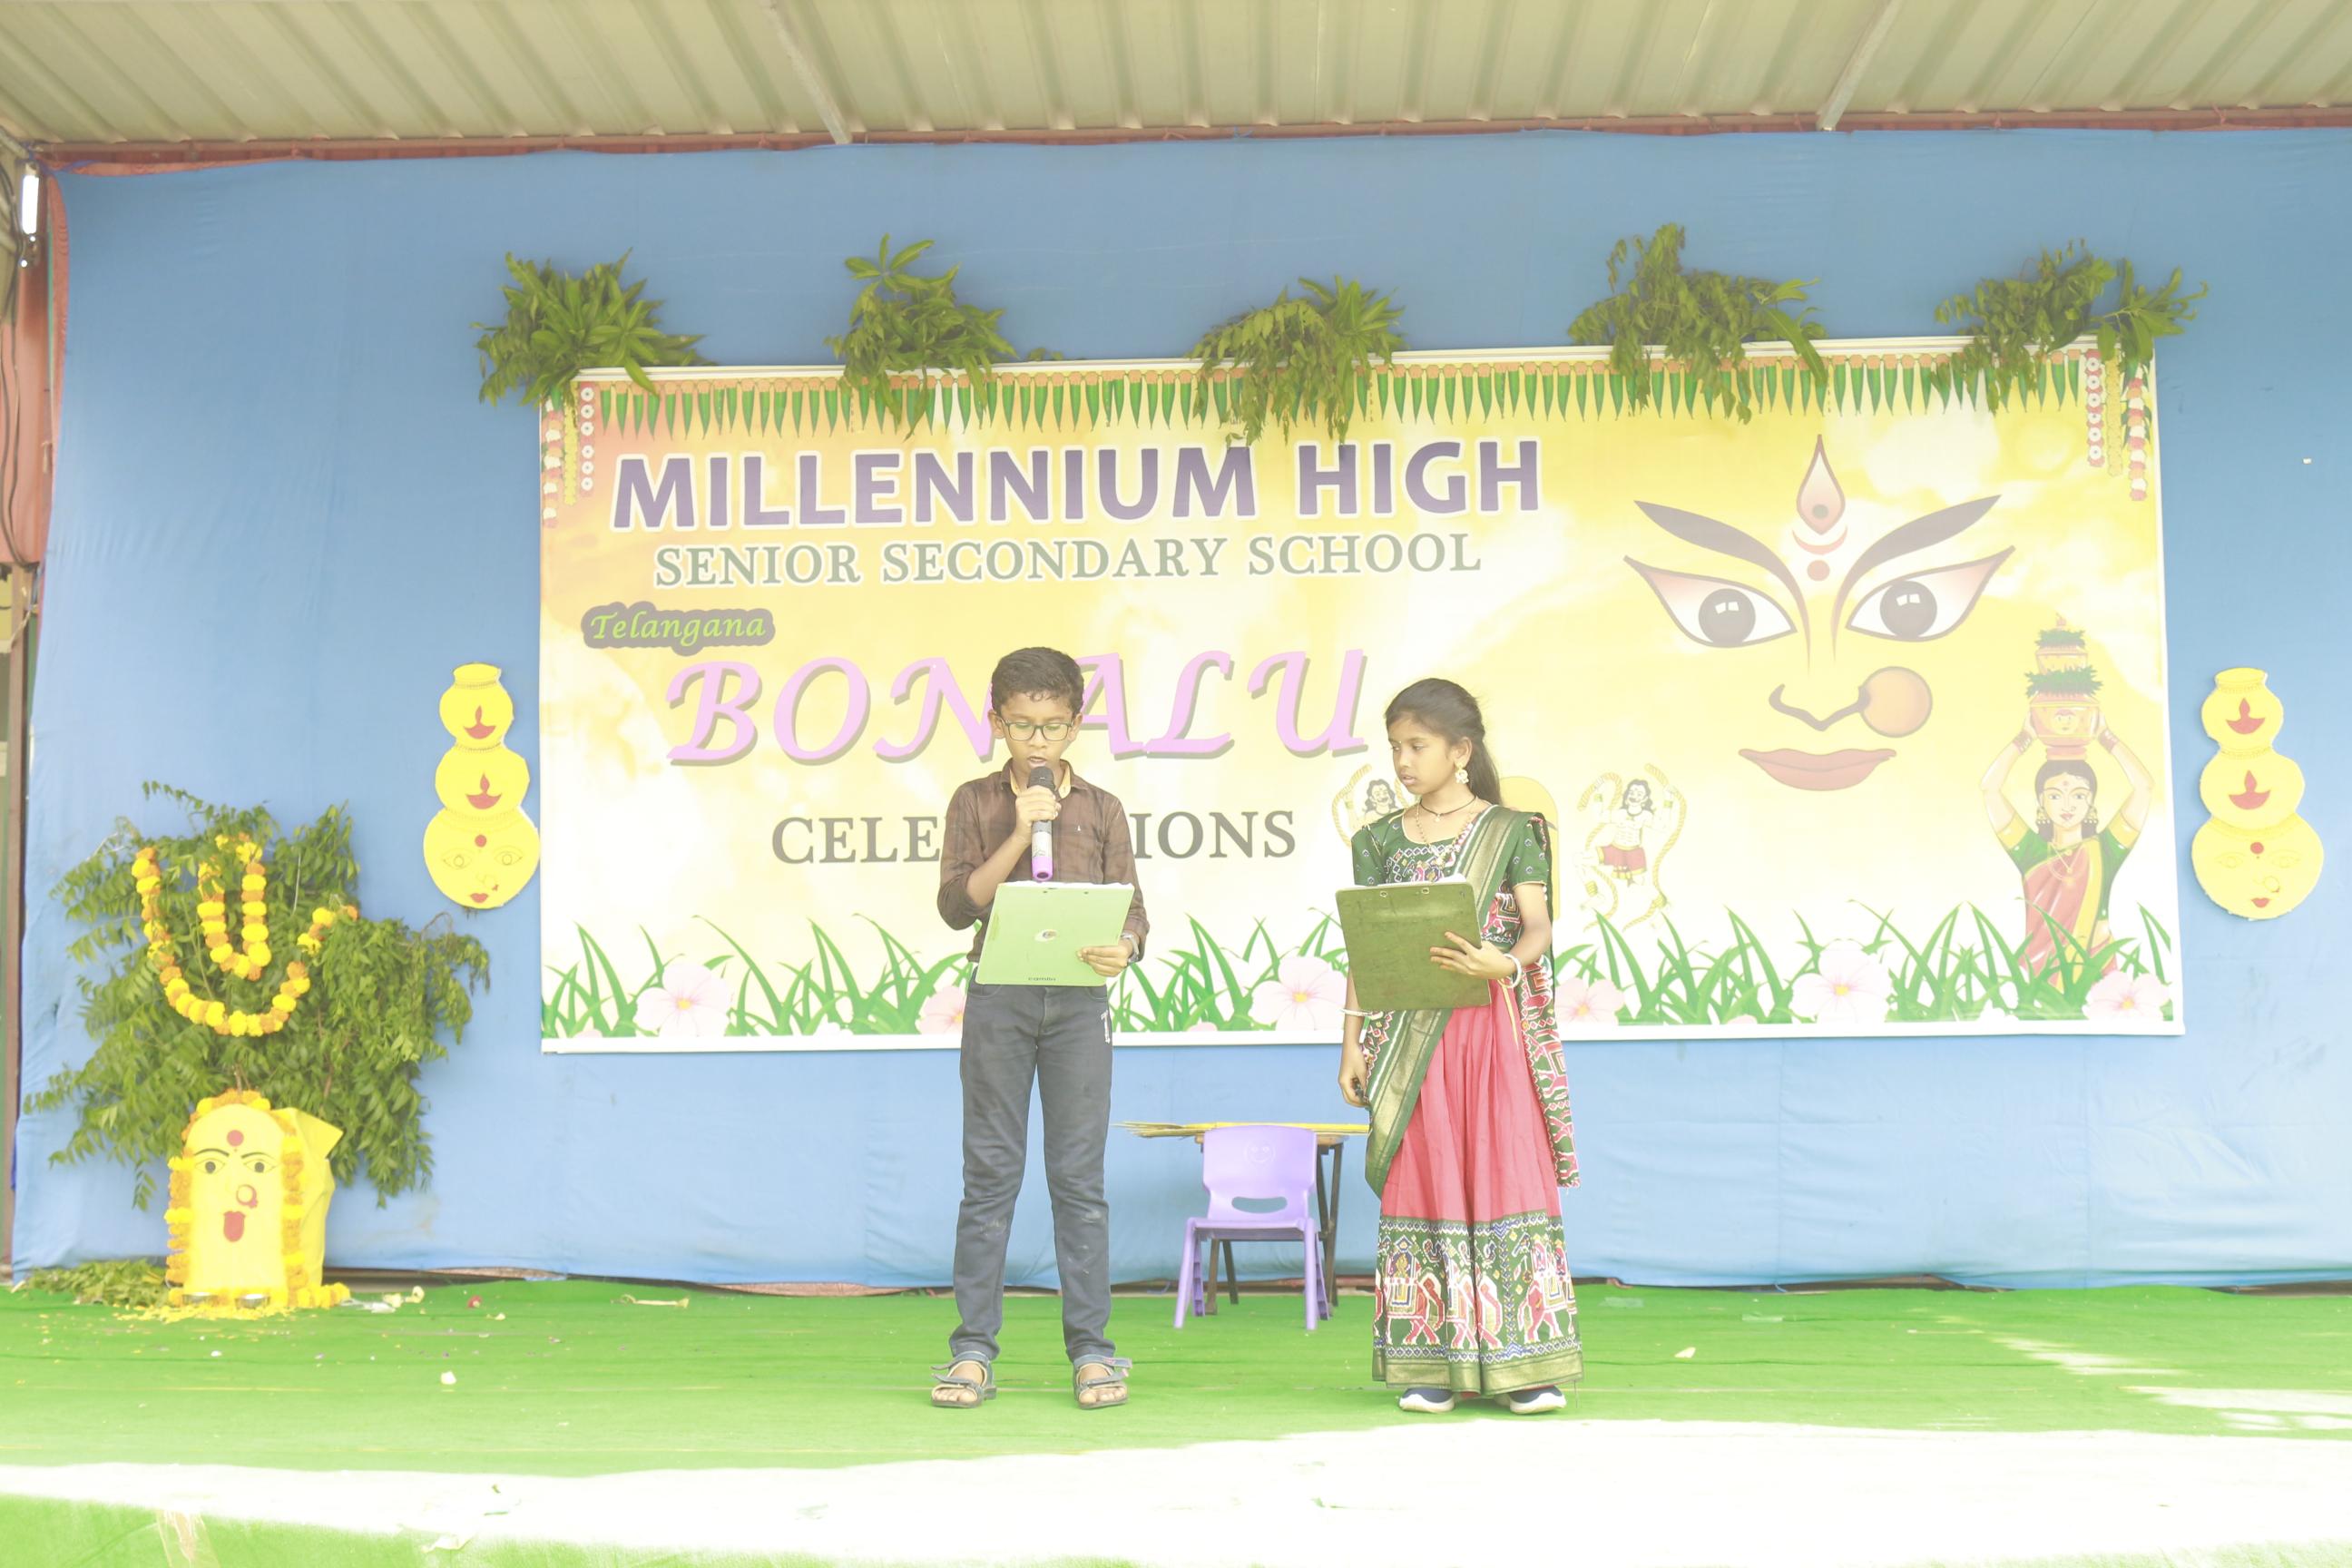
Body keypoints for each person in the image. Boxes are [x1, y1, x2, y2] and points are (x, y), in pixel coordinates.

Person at [1338, 678, 1582, 1415]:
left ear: (1461, 750)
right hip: (1411, 1039)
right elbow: (1364, 949)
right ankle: (1432, 1366)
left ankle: (1526, 1367)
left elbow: (1537, 927)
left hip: (1490, 1028)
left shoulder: (1514, 831)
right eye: (1395, 748)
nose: (1403, 762)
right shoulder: (1376, 841)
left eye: (1417, 746)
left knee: (1504, 1173)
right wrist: (1349, 1044)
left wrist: (1504, 962)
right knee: (1429, 1177)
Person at [929, 647, 1148, 1412]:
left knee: (1079, 1183)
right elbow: (958, 907)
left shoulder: (1103, 808)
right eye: (1021, 726)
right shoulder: (975, 801)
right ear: (995, 721)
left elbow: (1133, 910)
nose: (1038, 743)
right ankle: (972, 1351)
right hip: (1001, 1001)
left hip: (1079, 1006)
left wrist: (1124, 947)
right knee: (989, 1178)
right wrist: (1020, 833)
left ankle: (1091, 1351)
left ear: (1076, 724)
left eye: (1053, 727)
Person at [1979, 719, 2153, 981]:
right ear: (2041, 802)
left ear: (2092, 802)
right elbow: (1989, 788)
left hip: (2097, 966)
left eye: (2079, 795)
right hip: (2041, 972)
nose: (2067, 805)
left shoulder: (2105, 850)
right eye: (2055, 796)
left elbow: (2144, 788)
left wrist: (2106, 736)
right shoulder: (2031, 852)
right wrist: (2024, 737)